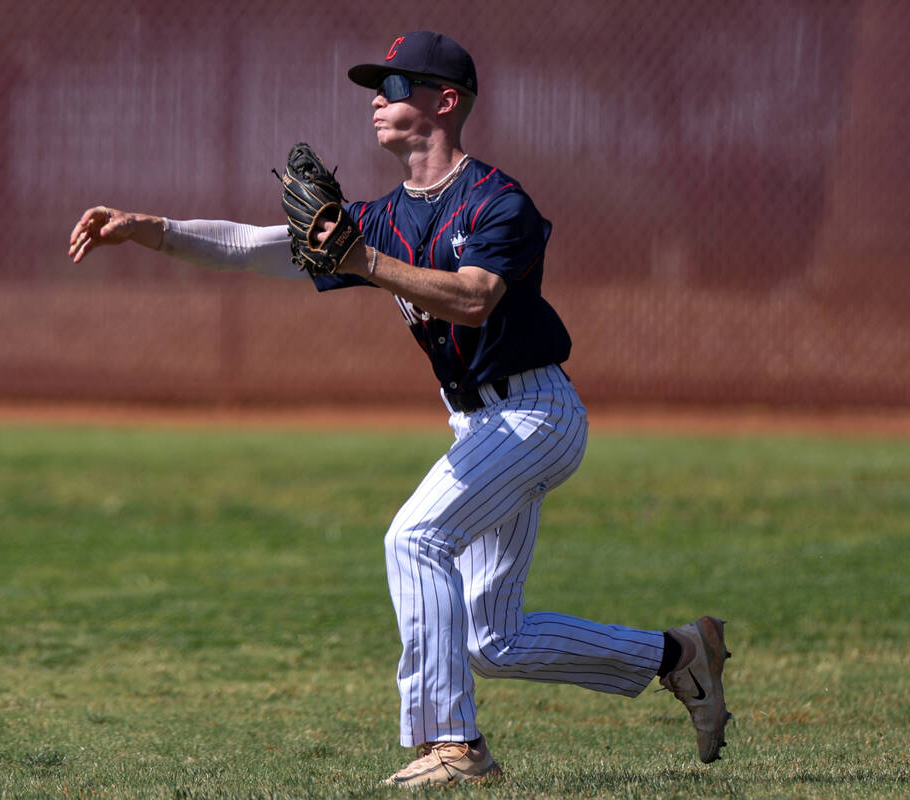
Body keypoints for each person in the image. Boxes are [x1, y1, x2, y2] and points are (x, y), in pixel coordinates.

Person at [68, 30, 731, 788]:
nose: (377, 101)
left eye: (394, 85)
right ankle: (679, 655)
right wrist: (147, 230)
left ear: (444, 102)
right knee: (491, 639)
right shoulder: (379, 219)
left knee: (414, 539)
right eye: (375, 87)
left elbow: (478, 298)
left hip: (535, 416)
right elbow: (252, 246)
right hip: (480, 424)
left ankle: (454, 744)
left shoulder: (496, 201)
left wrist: (365, 264)